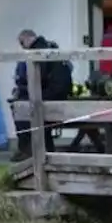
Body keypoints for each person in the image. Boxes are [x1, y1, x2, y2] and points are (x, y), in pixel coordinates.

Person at [10, 29, 74, 162]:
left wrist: (22, 88)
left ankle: (27, 150)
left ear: (28, 39)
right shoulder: (51, 47)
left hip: (51, 95)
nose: (22, 47)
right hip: (61, 94)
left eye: (22, 43)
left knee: (20, 109)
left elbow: (38, 78)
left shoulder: (37, 51)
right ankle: (44, 148)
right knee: (28, 107)